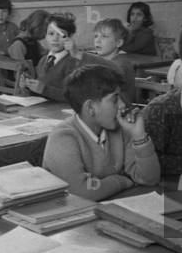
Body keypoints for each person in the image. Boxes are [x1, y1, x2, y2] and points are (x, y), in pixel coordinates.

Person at [42, 65, 160, 201]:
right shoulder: (63, 137)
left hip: (112, 206)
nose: (122, 105)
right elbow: (82, 192)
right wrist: (121, 181)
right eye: (115, 99)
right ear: (90, 107)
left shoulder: (121, 129)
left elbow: (149, 179)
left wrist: (139, 137)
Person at [20, 13, 78, 102]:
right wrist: (28, 86)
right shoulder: (43, 60)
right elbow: (40, 93)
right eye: (51, 34)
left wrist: (44, 89)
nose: (55, 39)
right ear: (45, 36)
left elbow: (73, 96)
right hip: (43, 110)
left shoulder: (72, 62)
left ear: (69, 38)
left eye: (61, 34)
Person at [82, 18, 136, 105]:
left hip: (117, 111)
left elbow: (101, 90)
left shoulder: (121, 64)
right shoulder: (99, 61)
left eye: (104, 36)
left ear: (118, 43)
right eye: (96, 36)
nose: (97, 40)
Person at [8, 9, 50, 74]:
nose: (47, 34)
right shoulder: (18, 45)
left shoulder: (33, 40)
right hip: (24, 79)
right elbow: (20, 70)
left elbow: (44, 54)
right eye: (47, 31)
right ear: (38, 28)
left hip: (34, 76)